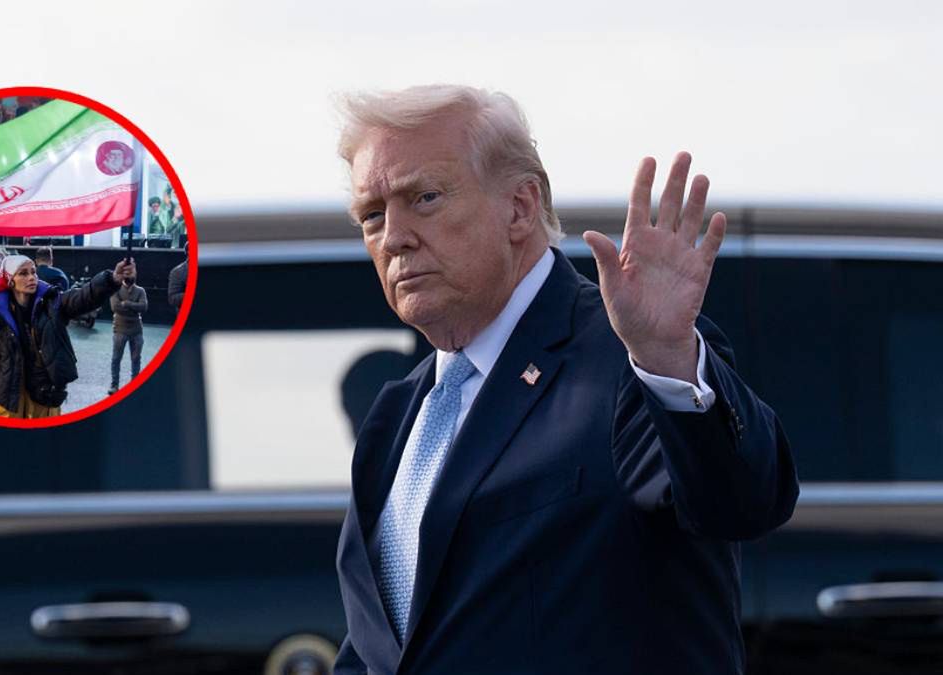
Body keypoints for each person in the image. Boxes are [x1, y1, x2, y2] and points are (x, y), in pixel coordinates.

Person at [331, 85, 799, 674]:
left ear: (521, 208)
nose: (393, 236)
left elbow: (742, 502)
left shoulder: (631, 359)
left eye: (424, 197)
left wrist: (667, 357)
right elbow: (377, 650)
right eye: (372, 215)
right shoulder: (396, 416)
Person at [0, 255, 131, 418]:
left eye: (33, 272)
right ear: (10, 280)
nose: (31, 277)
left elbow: (83, 297)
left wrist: (113, 279)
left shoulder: (52, 303)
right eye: (23, 273)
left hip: (44, 397)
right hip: (6, 400)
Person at [108, 259, 148, 394]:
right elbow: (115, 307)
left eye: (132, 271)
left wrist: (126, 304)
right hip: (120, 329)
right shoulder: (116, 289)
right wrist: (133, 306)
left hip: (137, 330)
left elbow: (144, 307)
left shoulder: (140, 291)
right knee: (116, 358)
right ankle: (114, 385)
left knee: (136, 358)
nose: (129, 275)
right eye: (127, 272)